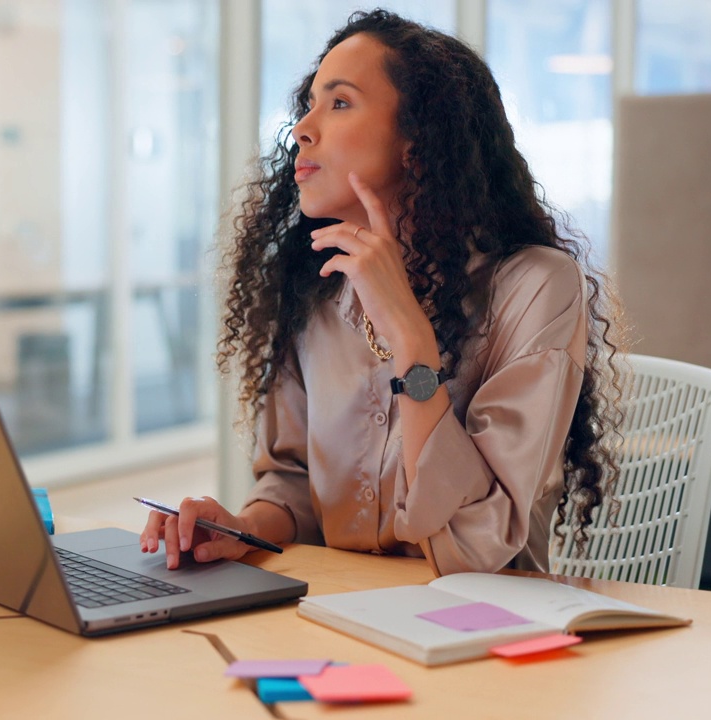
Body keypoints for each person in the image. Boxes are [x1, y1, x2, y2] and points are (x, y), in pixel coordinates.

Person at [141, 9, 626, 576]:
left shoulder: (536, 286)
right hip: (337, 607)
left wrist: (411, 340)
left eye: (340, 102)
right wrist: (239, 530)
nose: (302, 128)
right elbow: (294, 483)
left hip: (480, 626)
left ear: (417, 142)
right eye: (309, 105)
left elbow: (478, 546)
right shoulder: (313, 291)